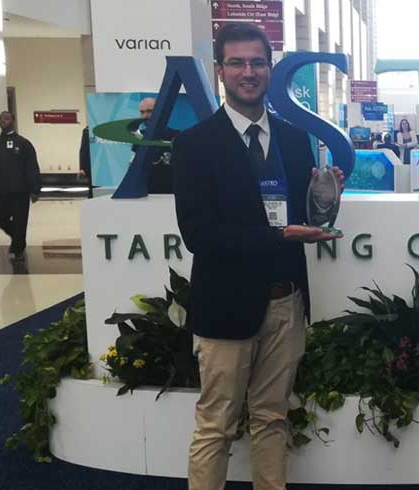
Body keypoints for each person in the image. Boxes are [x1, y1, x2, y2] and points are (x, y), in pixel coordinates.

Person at [173, 23, 343, 490]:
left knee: (272, 419)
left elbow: (306, 216)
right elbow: (199, 234)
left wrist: (326, 198)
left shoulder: (293, 139)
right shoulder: (194, 145)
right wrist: (278, 235)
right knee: (216, 427)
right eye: (237, 63)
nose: (248, 72)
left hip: (286, 303)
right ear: (220, 70)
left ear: (270, 69)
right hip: (226, 306)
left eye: (257, 62)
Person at [0, 111, 41, 262]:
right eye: (0, 119)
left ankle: (18, 249)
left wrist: (35, 189)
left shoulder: (24, 143)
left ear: (13, 121)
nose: (3, 121)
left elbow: (32, 167)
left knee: (20, 221)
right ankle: (18, 239)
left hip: (20, 191)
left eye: (6, 118)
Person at [129, 97, 180, 194]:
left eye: (149, 111)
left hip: (171, 194)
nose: (145, 116)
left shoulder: (176, 136)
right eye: (142, 112)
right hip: (147, 194)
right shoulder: (138, 137)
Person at [79, 126, 92, 198]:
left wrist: (82, 167)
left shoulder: (87, 131)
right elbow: (83, 149)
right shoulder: (87, 131)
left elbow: (83, 149)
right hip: (92, 165)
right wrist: (82, 167)